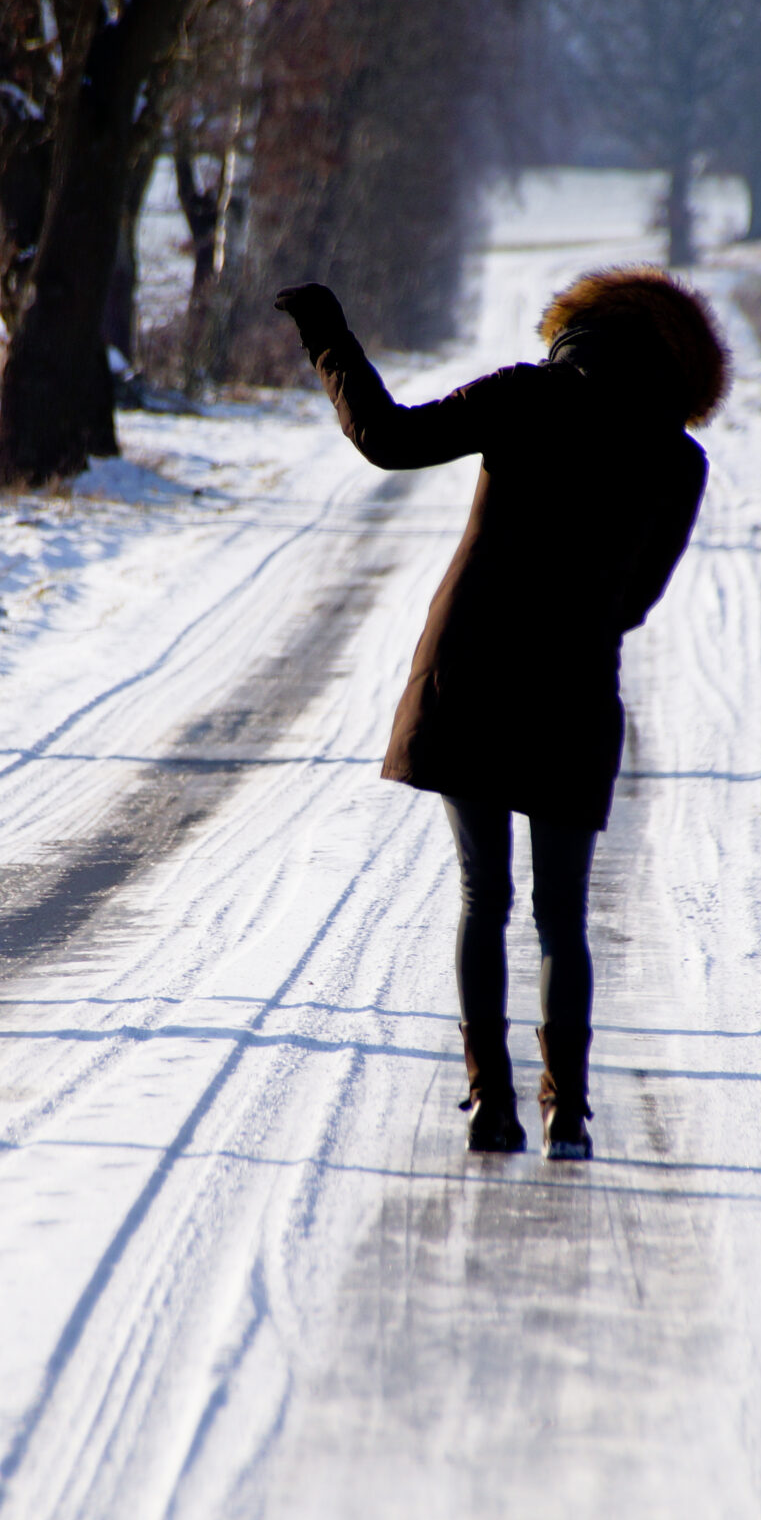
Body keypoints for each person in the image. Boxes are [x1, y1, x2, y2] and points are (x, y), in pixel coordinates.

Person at [274, 268, 722, 1160]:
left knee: (484, 896)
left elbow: (390, 439)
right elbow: (640, 598)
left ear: (574, 336)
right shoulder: (678, 460)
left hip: (469, 676)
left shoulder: (525, 396)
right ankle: (568, 1114)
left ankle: (491, 1102)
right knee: (562, 915)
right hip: (574, 688)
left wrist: (327, 333)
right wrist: (581, 610)